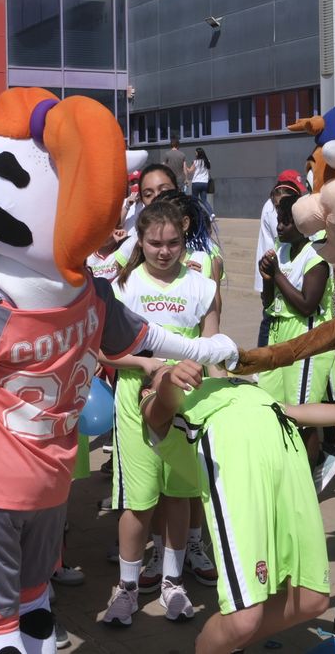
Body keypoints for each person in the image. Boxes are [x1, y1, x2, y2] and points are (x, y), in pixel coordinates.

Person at [140, 359, 335, 654]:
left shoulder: (246, 393)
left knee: (312, 599)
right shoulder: (162, 405)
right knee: (243, 619)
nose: (180, 367)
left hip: (289, 466)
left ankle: (224, 645)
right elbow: (159, 407)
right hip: (240, 472)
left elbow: (295, 412)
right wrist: (167, 379)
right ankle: (212, 646)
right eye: (164, 369)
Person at [102, 201, 221, 628]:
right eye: (154, 242)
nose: (164, 251)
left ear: (184, 238)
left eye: (173, 242)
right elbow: (104, 350)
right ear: (140, 239)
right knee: (138, 499)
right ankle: (128, 588)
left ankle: (173, 582)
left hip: (188, 396)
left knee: (179, 494)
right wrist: (148, 366)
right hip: (136, 396)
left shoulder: (203, 287)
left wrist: (222, 389)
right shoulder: (125, 284)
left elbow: (213, 351)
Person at [258, 194, 335, 487]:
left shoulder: (316, 258)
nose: (280, 227)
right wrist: (267, 279)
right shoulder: (280, 250)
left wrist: (277, 275)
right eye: (278, 221)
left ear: (304, 225)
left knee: (302, 415)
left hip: (307, 342)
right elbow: (269, 303)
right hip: (280, 335)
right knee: (273, 408)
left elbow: (306, 304)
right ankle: (288, 473)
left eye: (287, 222)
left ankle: (307, 479)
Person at [251, 171, 306, 337]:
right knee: (270, 318)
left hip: (279, 268)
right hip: (273, 267)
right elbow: (283, 238)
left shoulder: (276, 205)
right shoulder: (273, 209)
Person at [190, 147, 213, 215]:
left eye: (196, 152)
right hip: (204, 183)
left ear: (198, 153)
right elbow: (208, 171)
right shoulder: (207, 161)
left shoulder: (196, 162)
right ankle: (211, 214)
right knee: (204, 200)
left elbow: (190, 171)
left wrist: (185, 167)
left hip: (196, 183)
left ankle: (198, 214)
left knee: (195, 200)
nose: (195, 153)